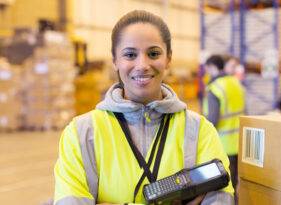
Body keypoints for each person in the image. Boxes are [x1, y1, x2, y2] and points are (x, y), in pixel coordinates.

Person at [54, 10, 234, 205]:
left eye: (153, 53)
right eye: (130, 54)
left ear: (168, 58)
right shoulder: (80, 133)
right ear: (115, 60)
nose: (142, 64)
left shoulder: (200, 130)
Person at [202, 55, 245, 204]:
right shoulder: (235, 82)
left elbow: (212, 120)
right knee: (236, 182)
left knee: (225, 186)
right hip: (239, 140)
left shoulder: (215, 88)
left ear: (212, 67)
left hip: (223, 144)